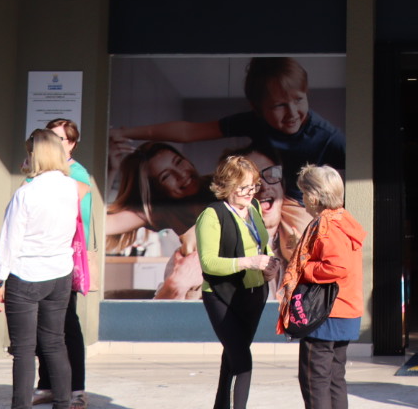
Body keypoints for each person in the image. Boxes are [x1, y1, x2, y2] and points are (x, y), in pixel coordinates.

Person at [112, 57, 344, 203]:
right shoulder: (255, 121)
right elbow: (189, 132)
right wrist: (127, 133)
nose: (292, 112)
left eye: (299, 99)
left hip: (296, 206)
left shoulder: (327, 137)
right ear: (258, 108)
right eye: (279, 105)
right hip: (256, 200)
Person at [0, 130, 80, 409]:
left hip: (26, 274)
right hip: (60, 273)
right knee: (55, 344)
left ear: (35, 154)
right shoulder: (70, 187)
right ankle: (63, 404)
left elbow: (9, 241)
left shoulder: (26, 193)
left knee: (24, 351)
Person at [195, 155, 279, 409]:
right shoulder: (212, 214)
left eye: (253, 186)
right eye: (243, 187)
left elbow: (263, 245)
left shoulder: (253, 208)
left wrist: (271, 265)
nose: (250, 192)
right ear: (226, 185)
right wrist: (249, 262)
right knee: (242, 361)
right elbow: (209, 263)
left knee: (231, 358)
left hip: (254, 293)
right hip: (221, 295)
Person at [278, 164, 364, 409]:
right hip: (343, 311)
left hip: (324, 314)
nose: (302, 199)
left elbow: (336, 266)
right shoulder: (343, 219)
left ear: (314, 197)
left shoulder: (327, 226)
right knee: (334, 378)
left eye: (304, 193)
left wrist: (303, 265)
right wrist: (302, 247)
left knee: (315, 380)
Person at [32, 121, 95, 408]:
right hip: (38, 259)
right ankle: (46, 384)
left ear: (72, 144)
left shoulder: (76, 174)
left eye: (61, 139)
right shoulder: (38, 174)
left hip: (64, 259)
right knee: (41, 323)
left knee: (66, 323)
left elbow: (73, 211)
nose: (55, 144)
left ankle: (76, 389)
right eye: (51, 138)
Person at [104, 140, 214, 253]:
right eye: (165, 176)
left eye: (178, 162)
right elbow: (104, 225)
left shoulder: (220, 185)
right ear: (157, 190)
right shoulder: (162, 212)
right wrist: (111, 169)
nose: (181, 174)